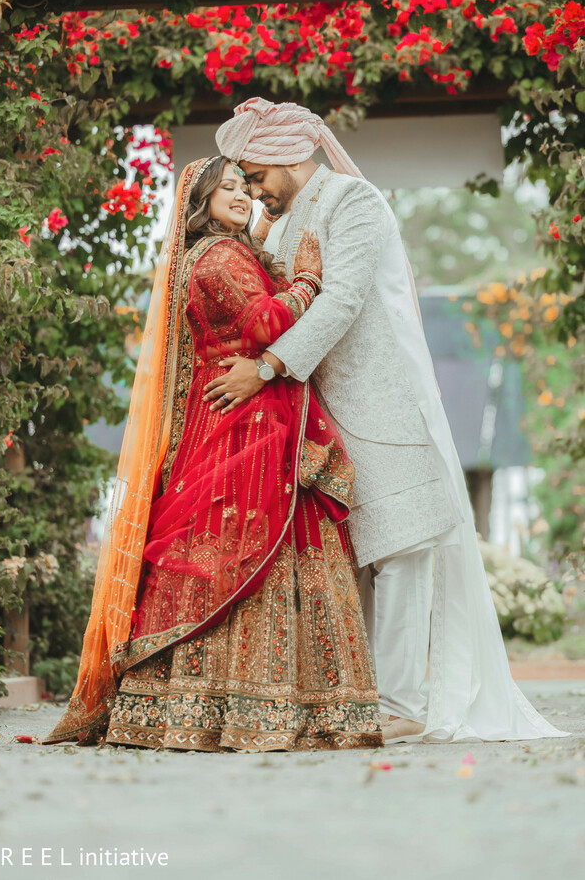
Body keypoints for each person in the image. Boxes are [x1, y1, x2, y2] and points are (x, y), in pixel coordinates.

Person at [208, 97, 569, 744]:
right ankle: (358, 698)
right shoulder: (281, 222)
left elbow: (343, 298)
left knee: (402, 548)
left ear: (295, 154)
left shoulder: (354, 202)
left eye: (257, 173)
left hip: (380, 402)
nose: (254, 187)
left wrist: (264, 368)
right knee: (348, 556)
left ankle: (403, 705)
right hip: (316, 413)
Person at [42, 155, 381, 752]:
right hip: (246, 426)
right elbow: (264, 324)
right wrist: (306, 281)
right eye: (227, 187)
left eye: (245, 185)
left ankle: (210, 707)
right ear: (200, 201)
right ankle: (270, 709)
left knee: (228, 550)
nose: (243, 194)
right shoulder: (220, 256)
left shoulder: (230, 253)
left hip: (245, 416)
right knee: (243, 551)